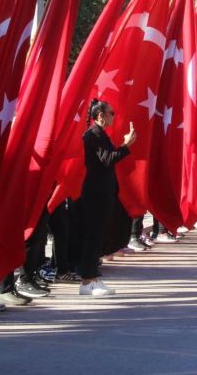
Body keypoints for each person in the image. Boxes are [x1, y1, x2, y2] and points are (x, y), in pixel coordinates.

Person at [78, 99, 136, 296]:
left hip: (103, 191)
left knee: (98, 235)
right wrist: (126, 145)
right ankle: (88, 280)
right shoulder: (93, 134)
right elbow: (108, 159)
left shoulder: (101, 134)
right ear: (101, 115)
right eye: (111, 113)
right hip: (95, 192)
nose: (114, 116)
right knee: (93, 236)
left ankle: (92, 277)